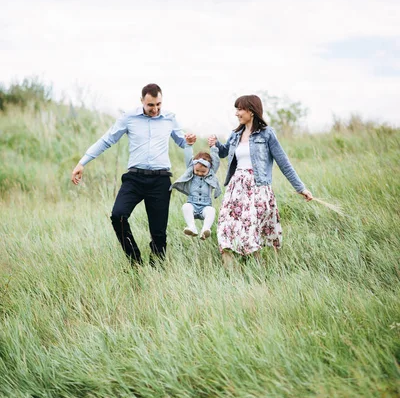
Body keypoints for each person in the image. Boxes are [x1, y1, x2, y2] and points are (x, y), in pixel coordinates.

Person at [71, 83, 196, 266]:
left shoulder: (170, 118)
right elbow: (107, 139)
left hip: (161, 180)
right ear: (142, 101)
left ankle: (157, 271)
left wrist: (189, 141)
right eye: (150, 105)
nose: (155, 109)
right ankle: (135, 262)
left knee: (158, 233)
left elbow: (182, 142)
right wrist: (82, 162)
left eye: (158, 104)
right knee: (118, 216)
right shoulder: (129, 118)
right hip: (135, 178)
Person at [208, 95, 312, 266]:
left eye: (240, 109)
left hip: (257, 188)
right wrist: (216, 144)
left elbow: (284, 163)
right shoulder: (236, 134)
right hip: (236, 187)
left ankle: (257, 269)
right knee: (225, 226)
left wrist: (301, 188)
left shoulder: (267, 134)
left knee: (251, 230)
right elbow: (225, 152)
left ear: (251, 111)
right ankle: (231, 273)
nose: (237, 113)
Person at [170, 145, 221, 240]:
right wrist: (188, 145)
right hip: (192, 204)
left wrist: (213, 147)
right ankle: (192, 227)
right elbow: (188, 157)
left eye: (203, 171)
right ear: (193, 167)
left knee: (211, 210)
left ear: (209, 169)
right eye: (197, 170)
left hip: (205, 206)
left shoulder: (211, 174)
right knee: (186, 206)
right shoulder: (191, 172)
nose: (199, 173)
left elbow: (216, 161)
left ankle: (205, 230)